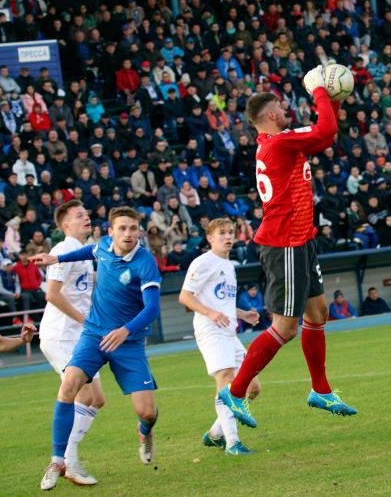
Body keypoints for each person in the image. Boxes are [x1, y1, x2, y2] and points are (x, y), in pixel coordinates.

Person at [218, 66, 357, 429]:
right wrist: (320, 92)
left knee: (318, 313)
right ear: (269, 115)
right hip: (286, 243)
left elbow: (325, 134)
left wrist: (333, 98)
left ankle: (321, 390)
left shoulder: (280, 141)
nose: (285, 109)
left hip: (302, 238)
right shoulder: (279, 142)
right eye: (280, 106)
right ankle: (235, 391)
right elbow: (325, 132)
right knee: (285, 326)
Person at [32, 207, 161, 490]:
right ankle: (57, 461)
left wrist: (126, 330)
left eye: (133, 228)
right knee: (69, 386)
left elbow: (152, 308)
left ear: (139, 231)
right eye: (122, 228)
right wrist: (57, 259)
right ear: (111, 232)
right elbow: (88, 251)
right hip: (93, 336)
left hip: (128, 343)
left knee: (147, 412)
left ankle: (145, 432)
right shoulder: (102, 246)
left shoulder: (145, 262)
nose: (128, 233)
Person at [178, 218, 261, 456]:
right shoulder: (203, 262)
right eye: (222, 233)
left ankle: (215, 433)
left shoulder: (228, 266)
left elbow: (221, 303)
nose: (228, 237)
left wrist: (243, 314)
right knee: (225, 380)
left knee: (252, 387)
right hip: (210, 330)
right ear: (209, 238)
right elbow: (185, 297)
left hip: (228, 332)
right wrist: (210, 313)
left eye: (230, 232)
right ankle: (233, 443)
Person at [39, 200, 102, 486]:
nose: (86, 218)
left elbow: (84, 286)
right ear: (66, 225)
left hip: (78, 336)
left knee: (96, 399)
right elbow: (52, 294)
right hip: (61, 335)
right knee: (82, 395)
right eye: (79, 215)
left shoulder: (83, 253)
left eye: (86, 214)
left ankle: (66, 459)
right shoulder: (62, 250)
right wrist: (83, 319)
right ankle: (67, 461)